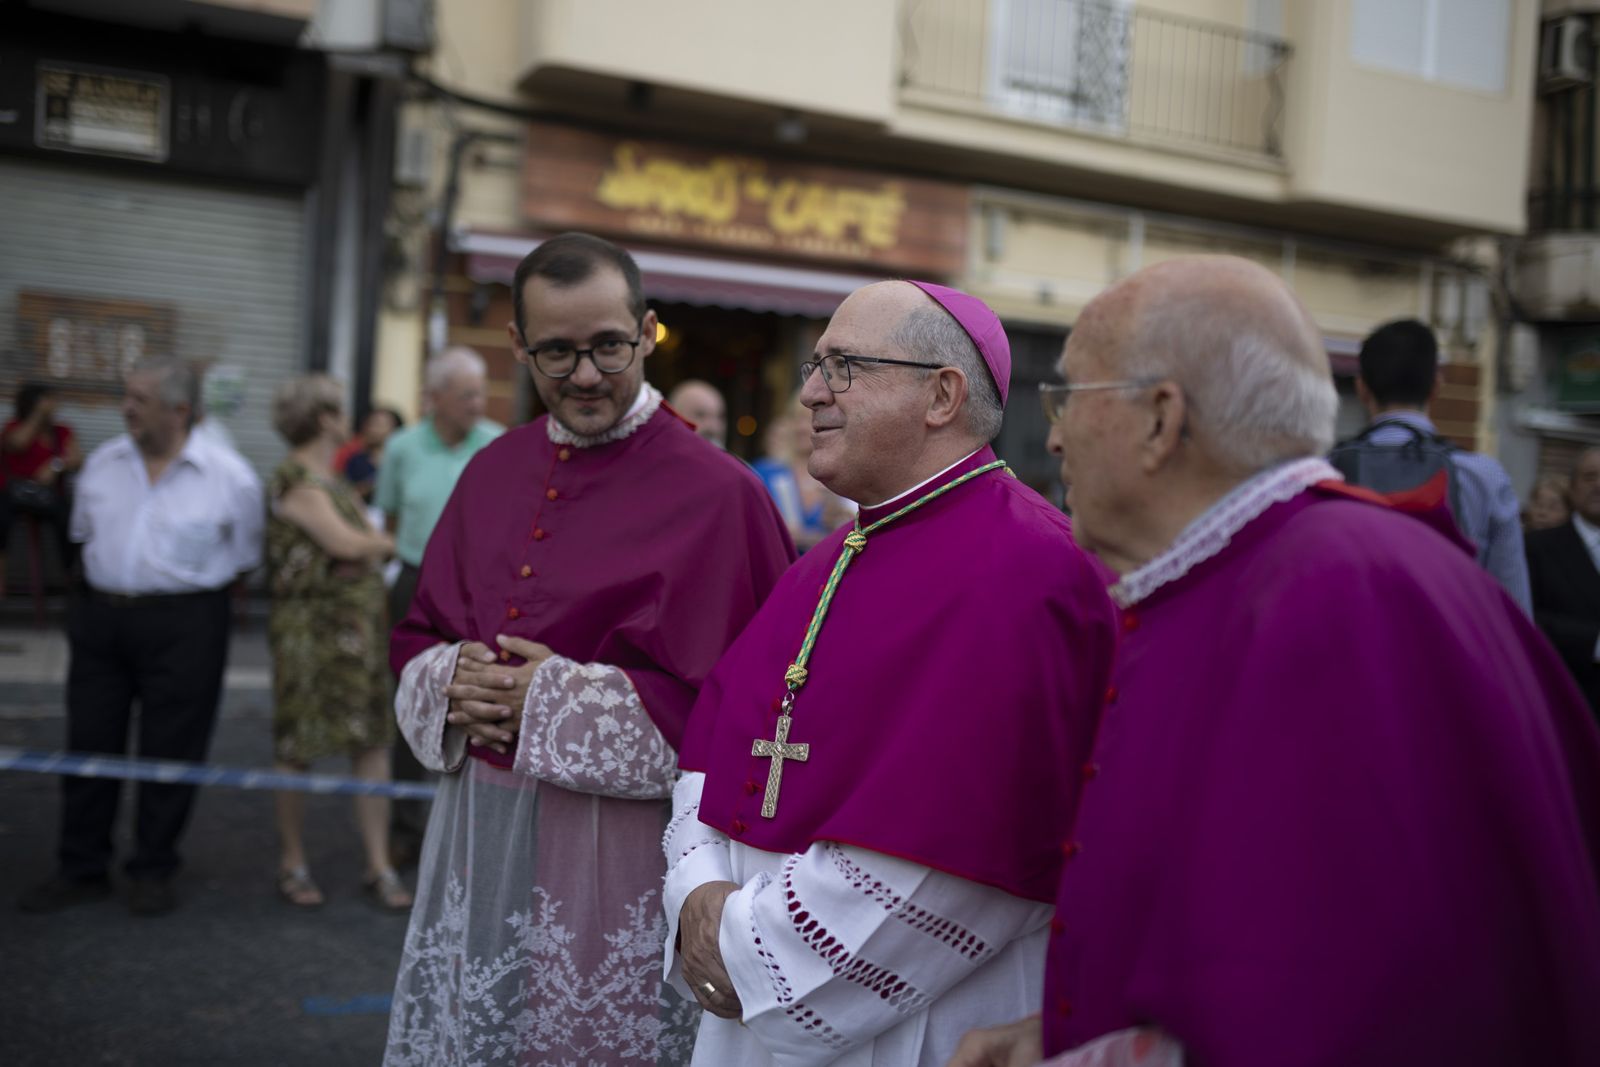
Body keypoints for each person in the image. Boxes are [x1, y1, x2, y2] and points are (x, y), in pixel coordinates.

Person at [952, 256, 1600, 1067]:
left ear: (1161, 419)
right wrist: (1060, 1032)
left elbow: (1338, 1009)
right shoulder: (1273, 570)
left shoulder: (1332, 597)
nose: (1049, 434)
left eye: (1068, 397)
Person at [664, 281, 1118, 1066]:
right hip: (748, 992)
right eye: (815, 364)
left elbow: (971, 853)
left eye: (843, 366)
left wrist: (748, 952)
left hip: (922, 1018)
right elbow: (710, 756)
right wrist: (697, 899)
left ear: (941, 393)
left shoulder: (1041, 571)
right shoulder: (818, 567)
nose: (810, 391)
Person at [383, 232, 795, 1066]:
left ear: (647, 332)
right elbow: (419, 628)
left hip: (626, 847)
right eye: (556, 351)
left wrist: (561, 699)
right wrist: (446, 677)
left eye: (607, 345)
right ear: (517, 346)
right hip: (481, 830)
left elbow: (759, 708)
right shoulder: (491, 469)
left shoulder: (723, 496)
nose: (583, 374)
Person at [15, 356, 264, 917]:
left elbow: (245, 558)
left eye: (140, 399)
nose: (126, 407)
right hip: (101, 617)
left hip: (187, 622)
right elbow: (80, 538)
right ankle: (80, 867)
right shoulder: (102, 464)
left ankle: (153, 866)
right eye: (126, 395)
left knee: (173, 746)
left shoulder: (231, 477)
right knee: (89, 739)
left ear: (179, 410)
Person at [264, 375, 411, 911]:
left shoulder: (327, 479)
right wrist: (383, 543)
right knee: (298, 748)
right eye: (340, 409)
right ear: (325, 418)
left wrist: (362, 554)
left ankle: (379, 864)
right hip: (312, 637)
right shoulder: (297, 480)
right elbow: (344, 542)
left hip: (355, 633)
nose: (348, 417)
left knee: (371, 741)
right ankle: (292, 863)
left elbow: (352, 552)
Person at [373, 348, 501, 866]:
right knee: (412, 696)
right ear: (437, 398)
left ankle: (472, 823)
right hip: (415, 583)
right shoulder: (402, 447)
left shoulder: (495, 443)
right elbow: (386, 517)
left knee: (477, 699)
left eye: (480, 392)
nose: (477, 403)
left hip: (479, 590)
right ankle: (407, 823)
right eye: (467, 394)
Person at [1330, 318, 1531, 611]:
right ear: (1436, 386)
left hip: (1352, 647)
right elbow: (1513, 605)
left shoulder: (1326, 470)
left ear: (1361, 388)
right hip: (1448, 649)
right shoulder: (1484, 476)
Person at [1527, 447, 1600, 720]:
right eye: (1589, 477)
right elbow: (1525, 618)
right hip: (1563, 709)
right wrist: (1594, 642)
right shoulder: (1537, 547)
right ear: (1572, 487)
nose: (1599, 485)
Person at [1, 381, 84, 589]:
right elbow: (17, 444)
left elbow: (77, 460)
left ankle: (71, 577)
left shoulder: (62, 432)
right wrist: (38, 415)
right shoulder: (14, 427)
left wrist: (55, 465)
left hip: (49, 498)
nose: (55, 404)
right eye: (49, 400)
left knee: (70, 521)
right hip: (13, 495)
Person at [752, 394, 855, 550]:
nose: (800, 427)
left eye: (808, 418)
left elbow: (852, 537)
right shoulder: (766, 471)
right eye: (795, 419)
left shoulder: (840, 476)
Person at [340, 406, 405, 503]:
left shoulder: (402, 461)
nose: (372, 429)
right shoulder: (356, 461)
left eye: (379, 424)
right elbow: (348, 492)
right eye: (370, 424)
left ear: (395, 430)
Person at [667, 379, 728, 449]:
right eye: (700, 415)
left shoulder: (735, 460)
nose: (713, 427)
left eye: (720, 417)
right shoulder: (656, 458)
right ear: (674, 416)